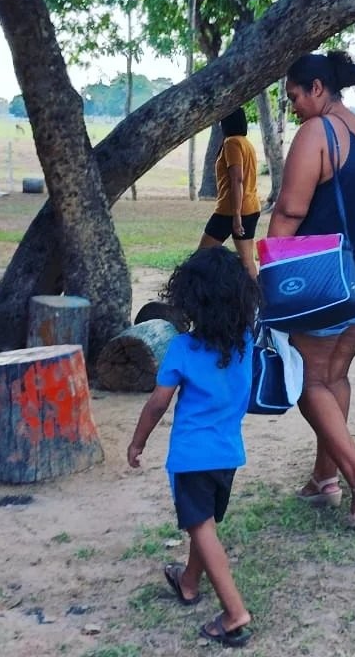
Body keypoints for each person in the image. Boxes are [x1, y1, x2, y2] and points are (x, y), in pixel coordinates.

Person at [267, 50, 355, 527]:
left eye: (294, 97)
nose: (293, 109)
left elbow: (289, 211)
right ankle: (324, 477)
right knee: (336, 377)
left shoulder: (317, 134)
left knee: (307, 380)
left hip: (325, 281)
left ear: (317, 88)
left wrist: (268, 273)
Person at [127, 246, 260, 648]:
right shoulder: (245, 341)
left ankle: (234, 612)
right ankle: (188, 582)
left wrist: (137, 442)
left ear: (189, 300)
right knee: (205, 523)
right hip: (228, 454)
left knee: (200, 528)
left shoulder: (182, 348)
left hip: (191, 458)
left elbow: (157, 403)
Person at [198, 107, 260, 279]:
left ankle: (197, 292)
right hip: (251, 207)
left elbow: (237, 179)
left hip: (230, 211)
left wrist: (236, 216)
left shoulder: (231, 143)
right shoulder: (246, 143)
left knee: (201, 257)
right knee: (247, 261)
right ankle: (256, 295)